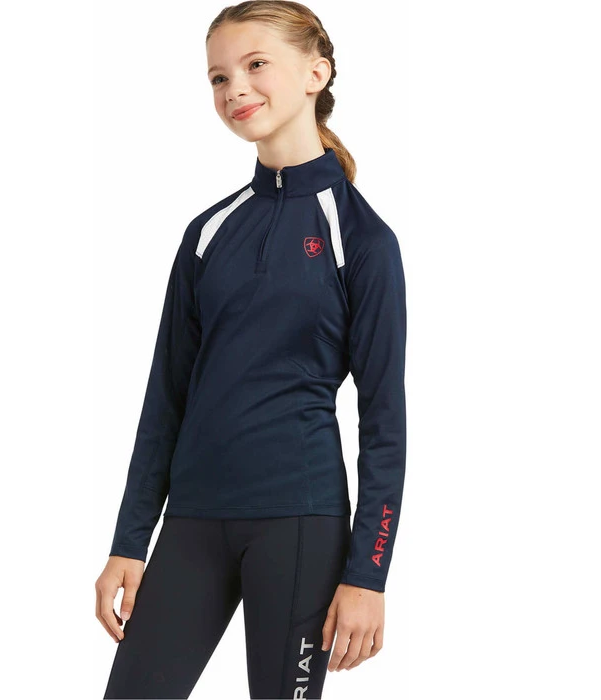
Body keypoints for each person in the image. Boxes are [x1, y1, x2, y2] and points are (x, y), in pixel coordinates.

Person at [96, 2, 408, 698]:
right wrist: (129, 540)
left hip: (299, 527)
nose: (234, 87)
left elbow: (385, 423)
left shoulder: (362, 240)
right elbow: (165, 399)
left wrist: (368, 574)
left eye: (255, 64)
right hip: (192, 524)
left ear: (315, 73)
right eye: (218, 77)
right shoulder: (207, 233)